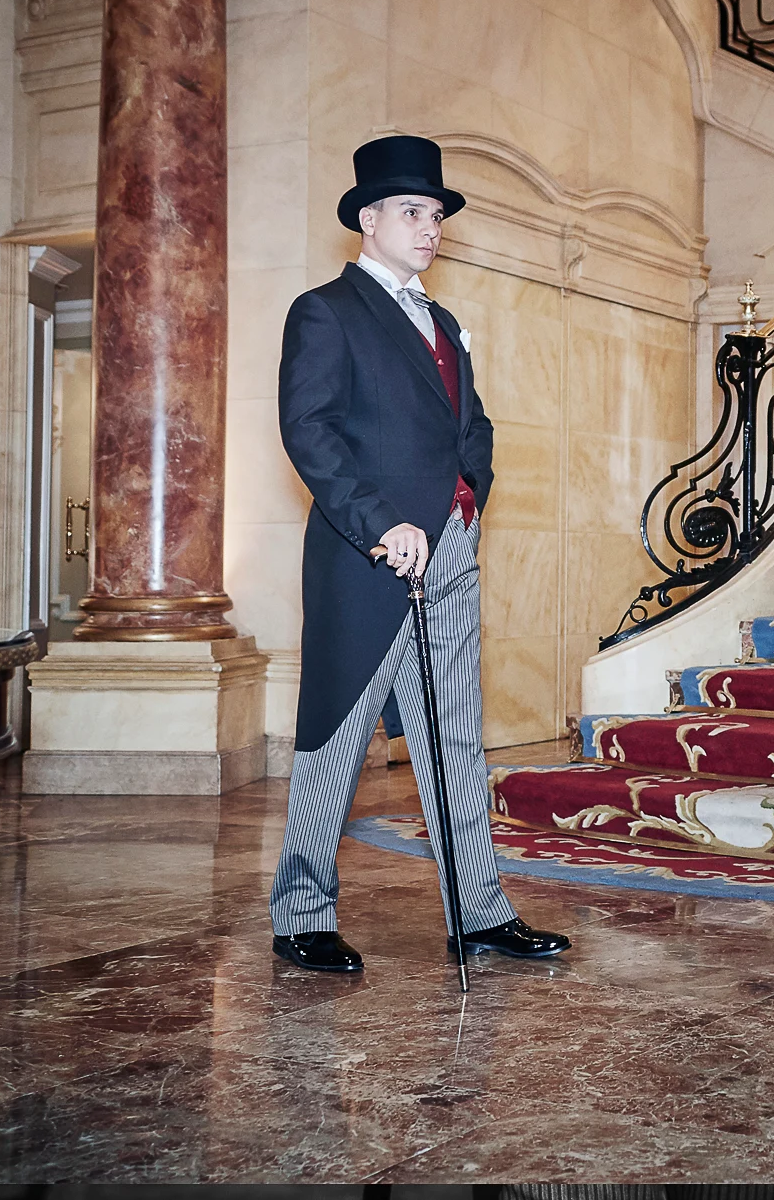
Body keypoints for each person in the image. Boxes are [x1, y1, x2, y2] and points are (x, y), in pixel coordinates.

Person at [268, 135, 570, 972]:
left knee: (454, 737)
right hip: (366, 560)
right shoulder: (324, 311)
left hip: (450, 552)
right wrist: (382, 522)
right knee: (337, 737)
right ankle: (301, 914)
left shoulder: (441, 323)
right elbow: (309, 430)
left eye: (436, 214)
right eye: (412, 211)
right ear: (368, 220)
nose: (430, 227)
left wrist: (466, 499)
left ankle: (478, 911)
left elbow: (473, 426)